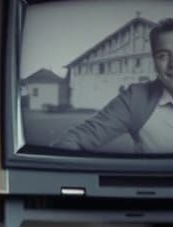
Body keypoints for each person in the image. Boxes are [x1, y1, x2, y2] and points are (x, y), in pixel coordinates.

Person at [55, 18, 173, 154]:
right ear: (154, 61)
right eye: (163, 56)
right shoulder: (136, 99)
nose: (172, 64)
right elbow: (74, 139)